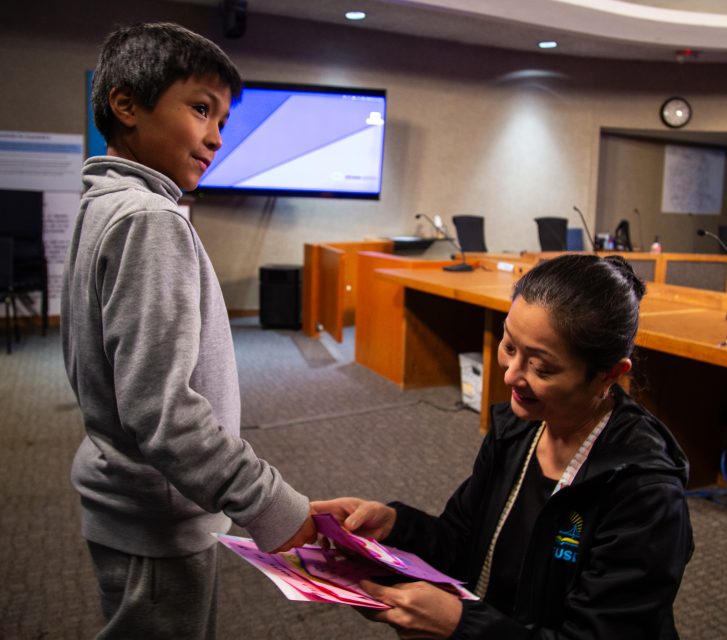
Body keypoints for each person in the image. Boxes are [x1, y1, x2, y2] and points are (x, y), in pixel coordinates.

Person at [61, 22, 316, 639]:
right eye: (201, 109)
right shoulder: (150, 220)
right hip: (158, 516)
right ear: (125, 104)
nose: (216, 137)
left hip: (132, 500)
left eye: (223, 120)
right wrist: (268, 502)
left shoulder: (105, 204)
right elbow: (162, 411)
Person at [314, 254, 693, 639]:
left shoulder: (644, 493)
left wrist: (460, 626)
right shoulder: (516, 430)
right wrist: (396, 526)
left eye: (541, 368)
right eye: (510, 346)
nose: (511, 375)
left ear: (609, 375)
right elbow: (464, 542)